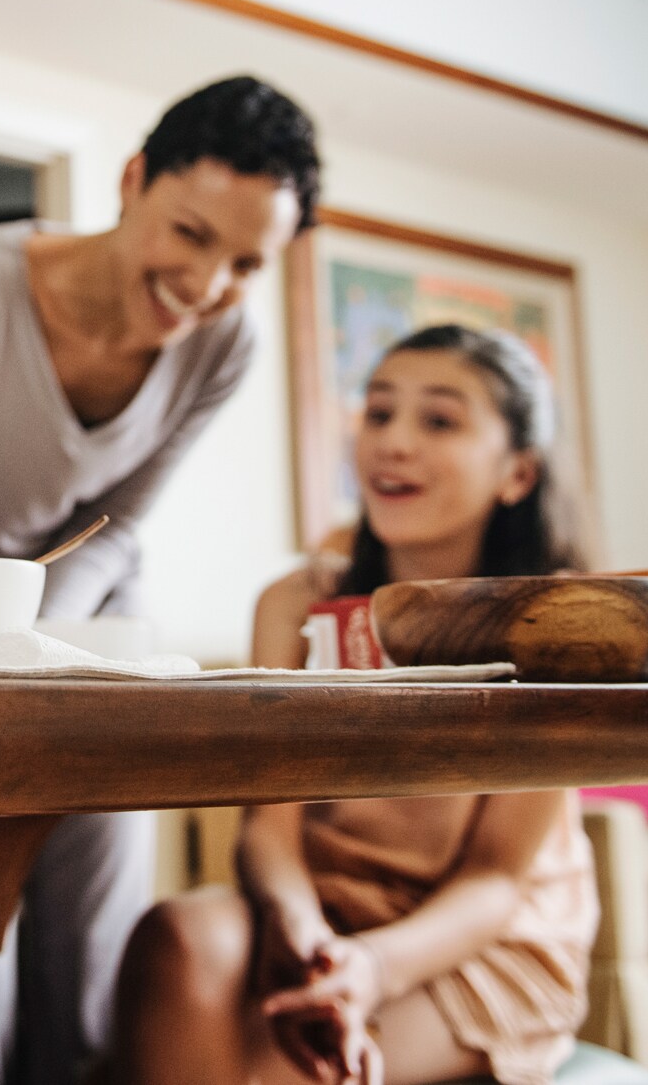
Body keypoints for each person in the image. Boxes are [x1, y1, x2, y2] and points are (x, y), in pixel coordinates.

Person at [0, 74, 321, 1084]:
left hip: (88, 627)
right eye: (189, 233)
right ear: (132, 181)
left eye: (245, 263)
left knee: (94, 898)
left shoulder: (227, 343)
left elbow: (121, 520)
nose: (206, 284)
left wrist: (34, 638)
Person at [105, 324, 598, 1085]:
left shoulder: (556, 627)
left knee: (261, 1068)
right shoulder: (295, 603)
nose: (392, 442)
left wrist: (371, 967)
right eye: (377, 413)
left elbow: (495, 880)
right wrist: (298, 924)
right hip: (322, 902)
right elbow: (268, 825)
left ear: (518, 474)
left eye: (438, 420)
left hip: (477, 940)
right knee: (176, 937)